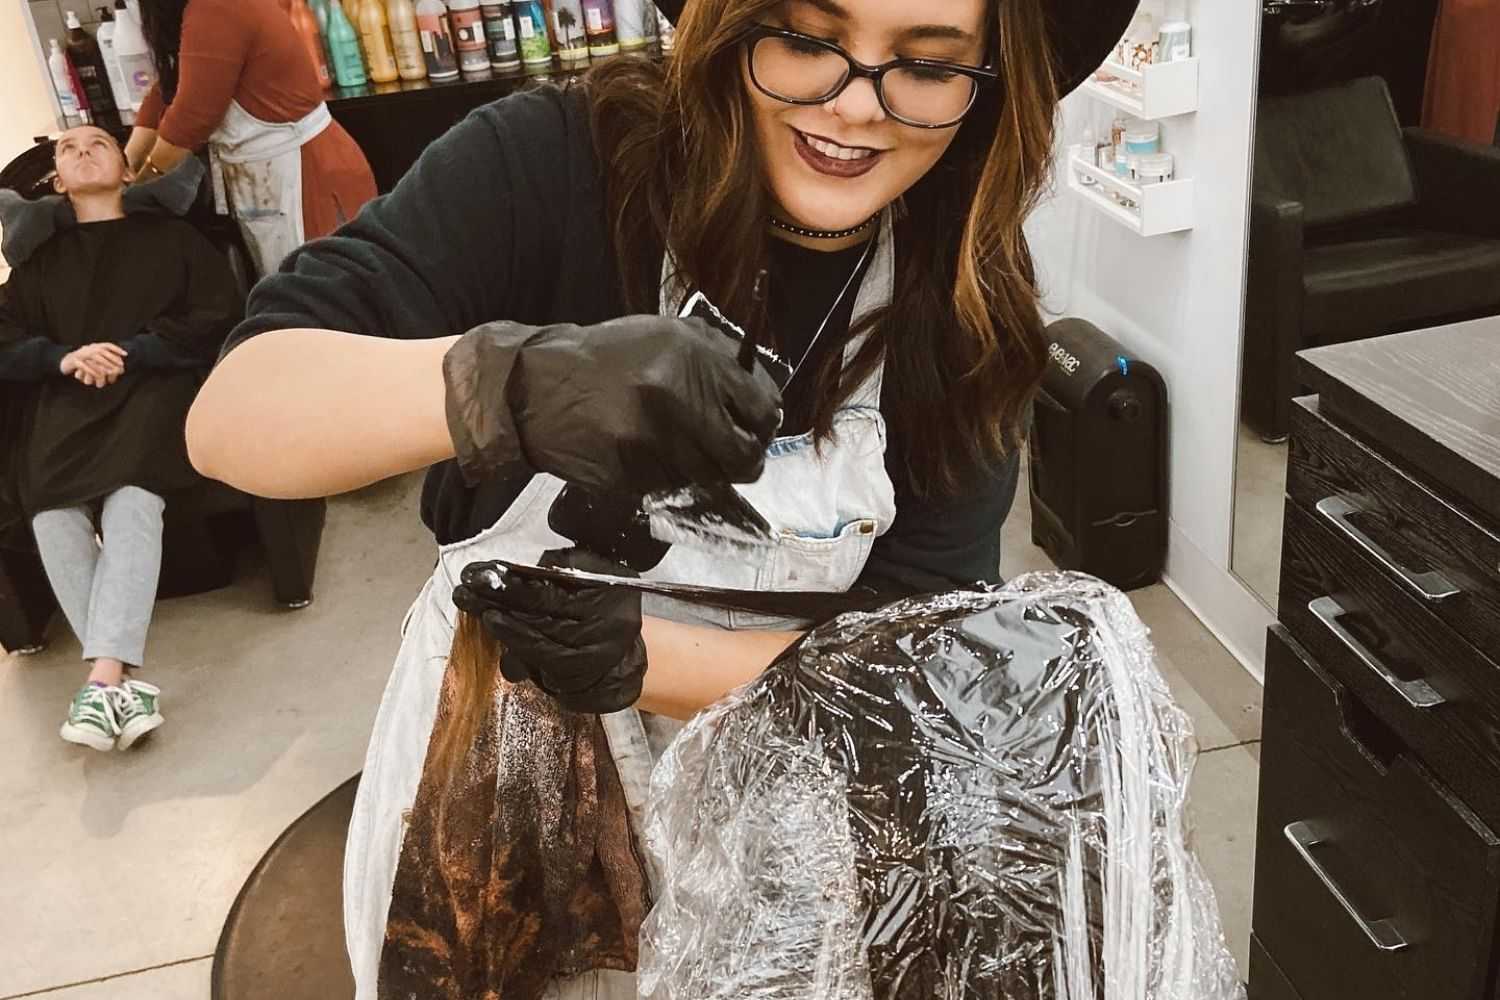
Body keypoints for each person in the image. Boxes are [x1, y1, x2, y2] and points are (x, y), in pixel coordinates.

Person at [186, 0, 1138, 993]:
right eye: (810, 40)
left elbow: (914, 660)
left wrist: (645, 657)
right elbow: (236, 418)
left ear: (990, 85)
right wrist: (511, 383)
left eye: (926, 66)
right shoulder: (557, 163)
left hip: (784, 801)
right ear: (735, 22)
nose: (854, 107)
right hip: (507, 807)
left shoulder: (962, 302)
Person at [0, 125, 240, 751]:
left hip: (154, 387)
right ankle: (117, 689)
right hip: (65, 395)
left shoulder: (174, 239)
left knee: (134, 499)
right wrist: (61, 358)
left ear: (128, 171)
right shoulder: (38, 265)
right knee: (51, 512)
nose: (82, 151)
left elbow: (215, 313)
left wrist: (128, 352)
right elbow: (3, 336)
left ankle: (102, 679)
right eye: (68, 150)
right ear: (56, 182)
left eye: (98, 143)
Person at [123, 0, 377, 277]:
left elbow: (193, 117)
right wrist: (127, 160)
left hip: (306, 174)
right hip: (268, 179)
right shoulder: (198, 11)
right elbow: (172, 86)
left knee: (328, 297)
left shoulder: (216, 7)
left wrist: (139, 185)